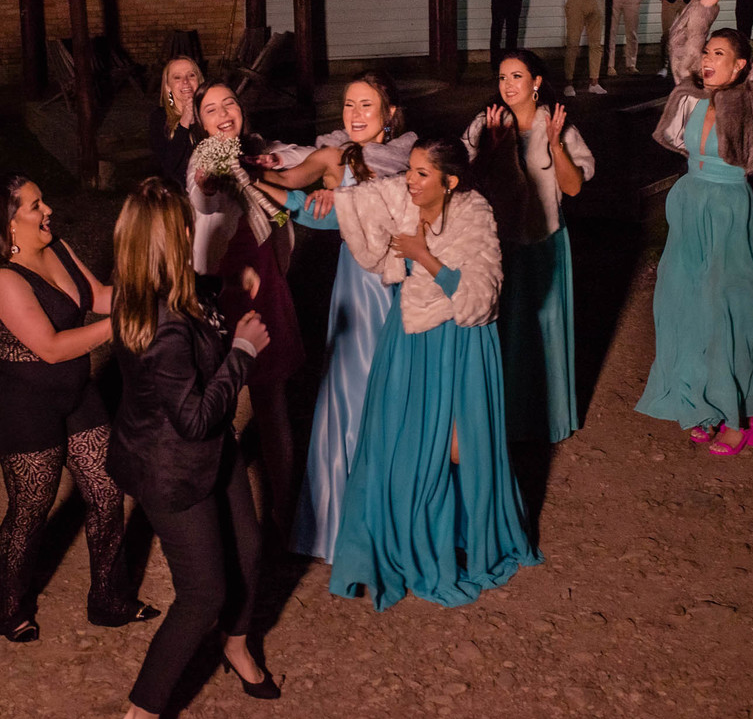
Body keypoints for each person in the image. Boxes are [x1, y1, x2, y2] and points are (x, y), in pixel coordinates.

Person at [310, 138, 542, 611]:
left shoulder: (475, 216)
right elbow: (344, 210)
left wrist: (422, 253)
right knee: (403, 445)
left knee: (461, 449)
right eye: (410, 171)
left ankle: (468, 534)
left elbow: (480, 296)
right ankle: (405, 543)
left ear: (449, 181)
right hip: (410, 339)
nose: (408, 181)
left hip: (460, 341)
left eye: (420, 174)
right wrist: (268, 190)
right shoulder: (401, 198)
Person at [0, 173, 157, 643]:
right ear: (7, 225)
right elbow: (53, 347)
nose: (48, 212)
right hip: (23, 406)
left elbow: (99, 297)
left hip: (77, 394)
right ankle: (8, 609)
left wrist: (150, 291)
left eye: (44, 202)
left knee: (106, 494)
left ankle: (109, 599)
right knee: (30, 509)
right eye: (36, 206)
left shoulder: (56, 247)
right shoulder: (1, 278)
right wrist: (126, 323)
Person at [108, 178, 279, 719]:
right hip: (173, 467)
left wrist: (228, 279)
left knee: (249, 550)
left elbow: (194, 295)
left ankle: (235, 643)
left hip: (209, 451)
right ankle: (141, 711)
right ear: (168, 238)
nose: (192, 228)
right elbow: (196, 417)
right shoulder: (164, 327)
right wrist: (243, 353)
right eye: (185, 223)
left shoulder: (164, 288)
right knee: (203, 592)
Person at [635, 0, 753, 456]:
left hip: (731, 210)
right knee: (681, 308)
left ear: (742, 67)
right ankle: (696, 402)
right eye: (708, 54)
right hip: (689, 205)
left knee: (729, 312)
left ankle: (738, 413)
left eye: (719, 56)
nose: (707, 60)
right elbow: (683, 38)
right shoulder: (688, 95)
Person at [249, 72, 416, 563]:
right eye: (348, 105)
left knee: (399, 396)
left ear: (389, 114)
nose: (355, 114)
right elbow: (284, 182)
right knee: (349, 392)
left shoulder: (410, 160)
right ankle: (341, 525)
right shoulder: (333, 156)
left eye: (367, 105)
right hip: (356, 288)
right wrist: (239, 170)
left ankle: (395, 523)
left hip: (401, 286)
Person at [186, 82, 305, 539]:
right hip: (222, 289)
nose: (222, 113)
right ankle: (222, 519)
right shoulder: (204, 158)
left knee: (273, 402)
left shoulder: (259, 150)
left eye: (229, 103)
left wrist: (269, 166)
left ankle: (285, 507)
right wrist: (209, 181)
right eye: (211, 109)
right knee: (220, 404)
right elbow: (204, 194)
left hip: (264, 282)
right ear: (201, 122)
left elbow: (295, 164)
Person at [462, 50, 594, 444]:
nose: (508, 85)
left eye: (517, 76)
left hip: (544, 242)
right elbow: (465, 184)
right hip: (497, 246)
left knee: (545, 331)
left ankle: (546, 420)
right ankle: (504, 421)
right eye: (502, 77)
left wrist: (555, 146)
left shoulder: (555, 124)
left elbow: (572, 187)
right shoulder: (487, 124)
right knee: (503, 332)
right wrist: (491, 148)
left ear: (536, 82)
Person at [148, 56, 204, 186]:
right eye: (177, 77)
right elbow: (167, 166)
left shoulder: (209, 115)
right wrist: (184, 122)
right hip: (179, 195)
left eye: (191, 75)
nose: (185, 81)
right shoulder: (159, 118)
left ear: (199, 81)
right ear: (168, 87)